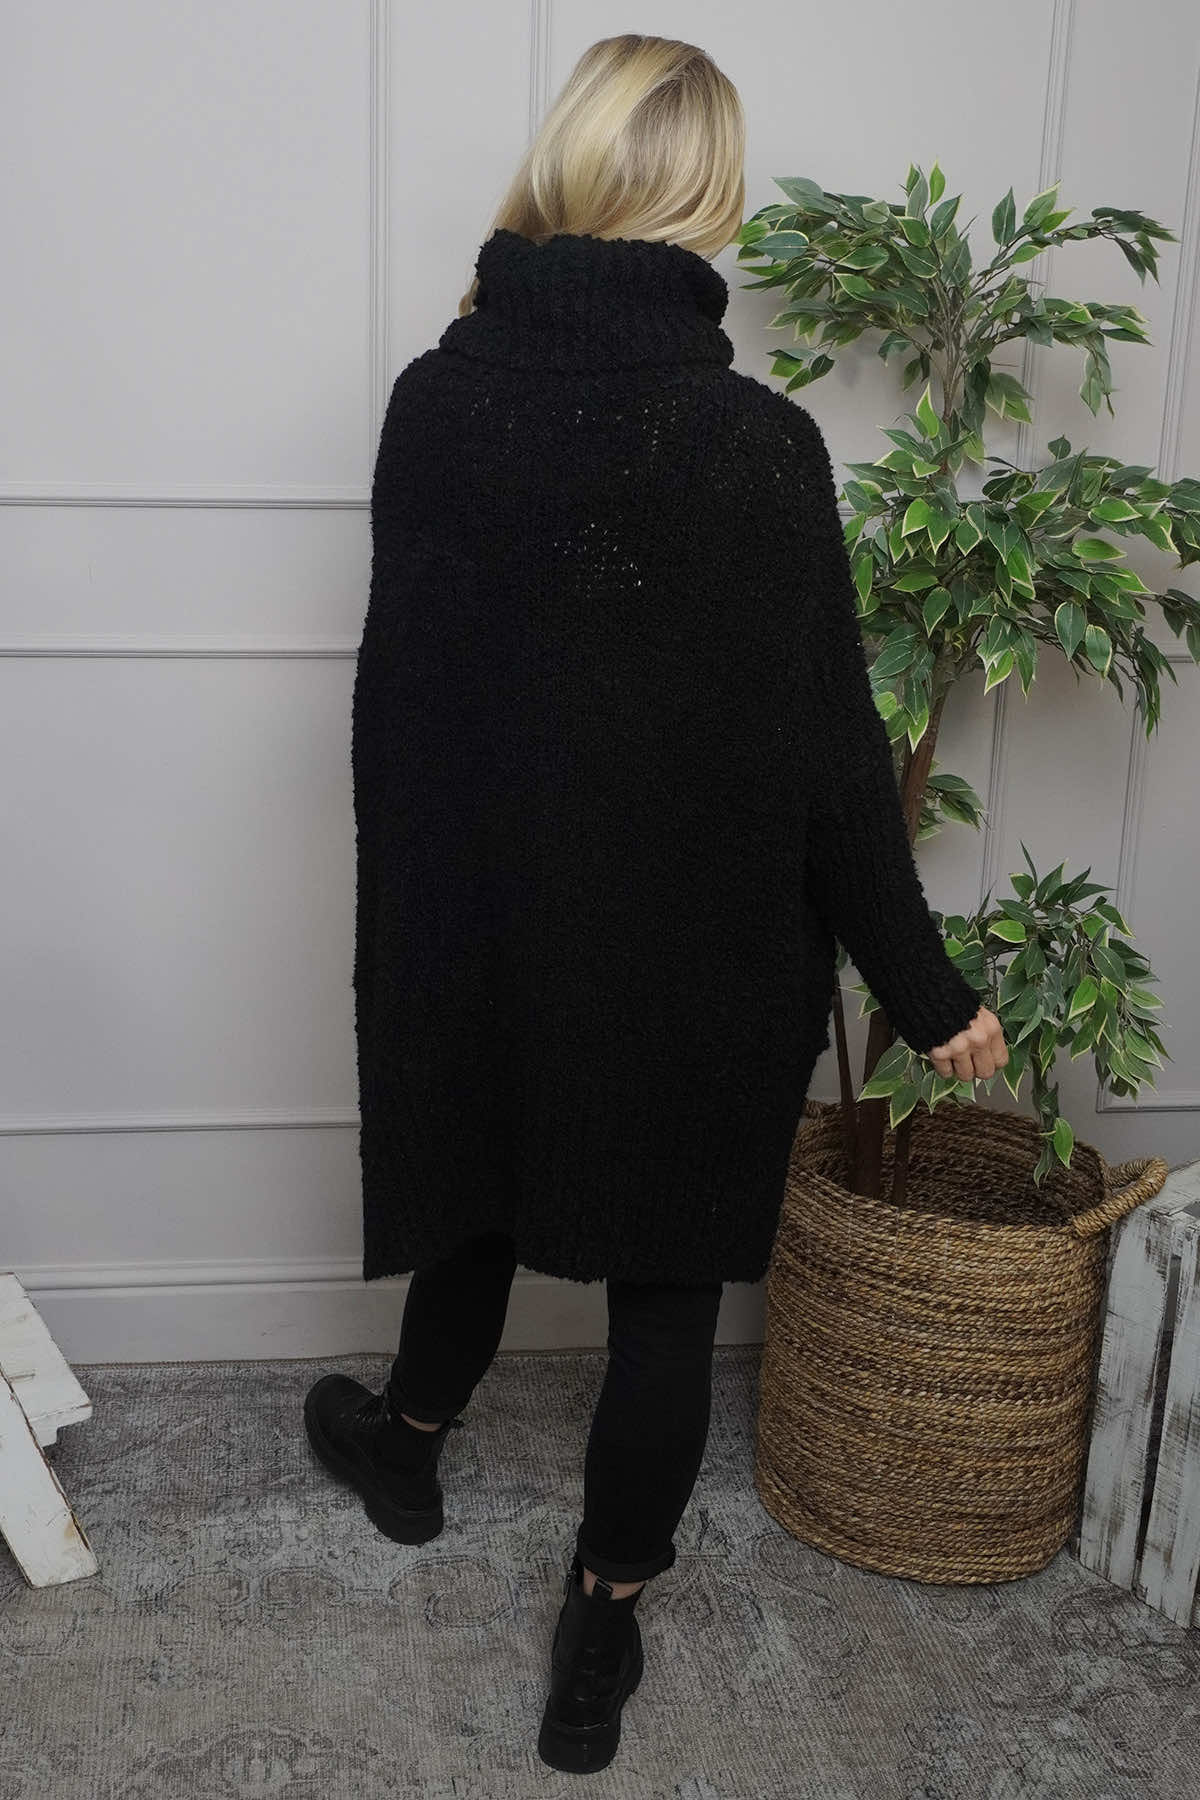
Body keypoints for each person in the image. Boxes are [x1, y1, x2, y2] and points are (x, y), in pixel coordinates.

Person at [303, 30, 1008, 1778]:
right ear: (705, 195)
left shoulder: (434, 405)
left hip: (480, 926)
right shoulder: (756, 447)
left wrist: (430, 934)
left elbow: (408, 707)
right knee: (667, 1302)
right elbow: (830, 762)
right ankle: (599, 1627)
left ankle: (405, 1445)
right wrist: (926, 992)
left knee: (476, 1189)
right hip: (698, 956)